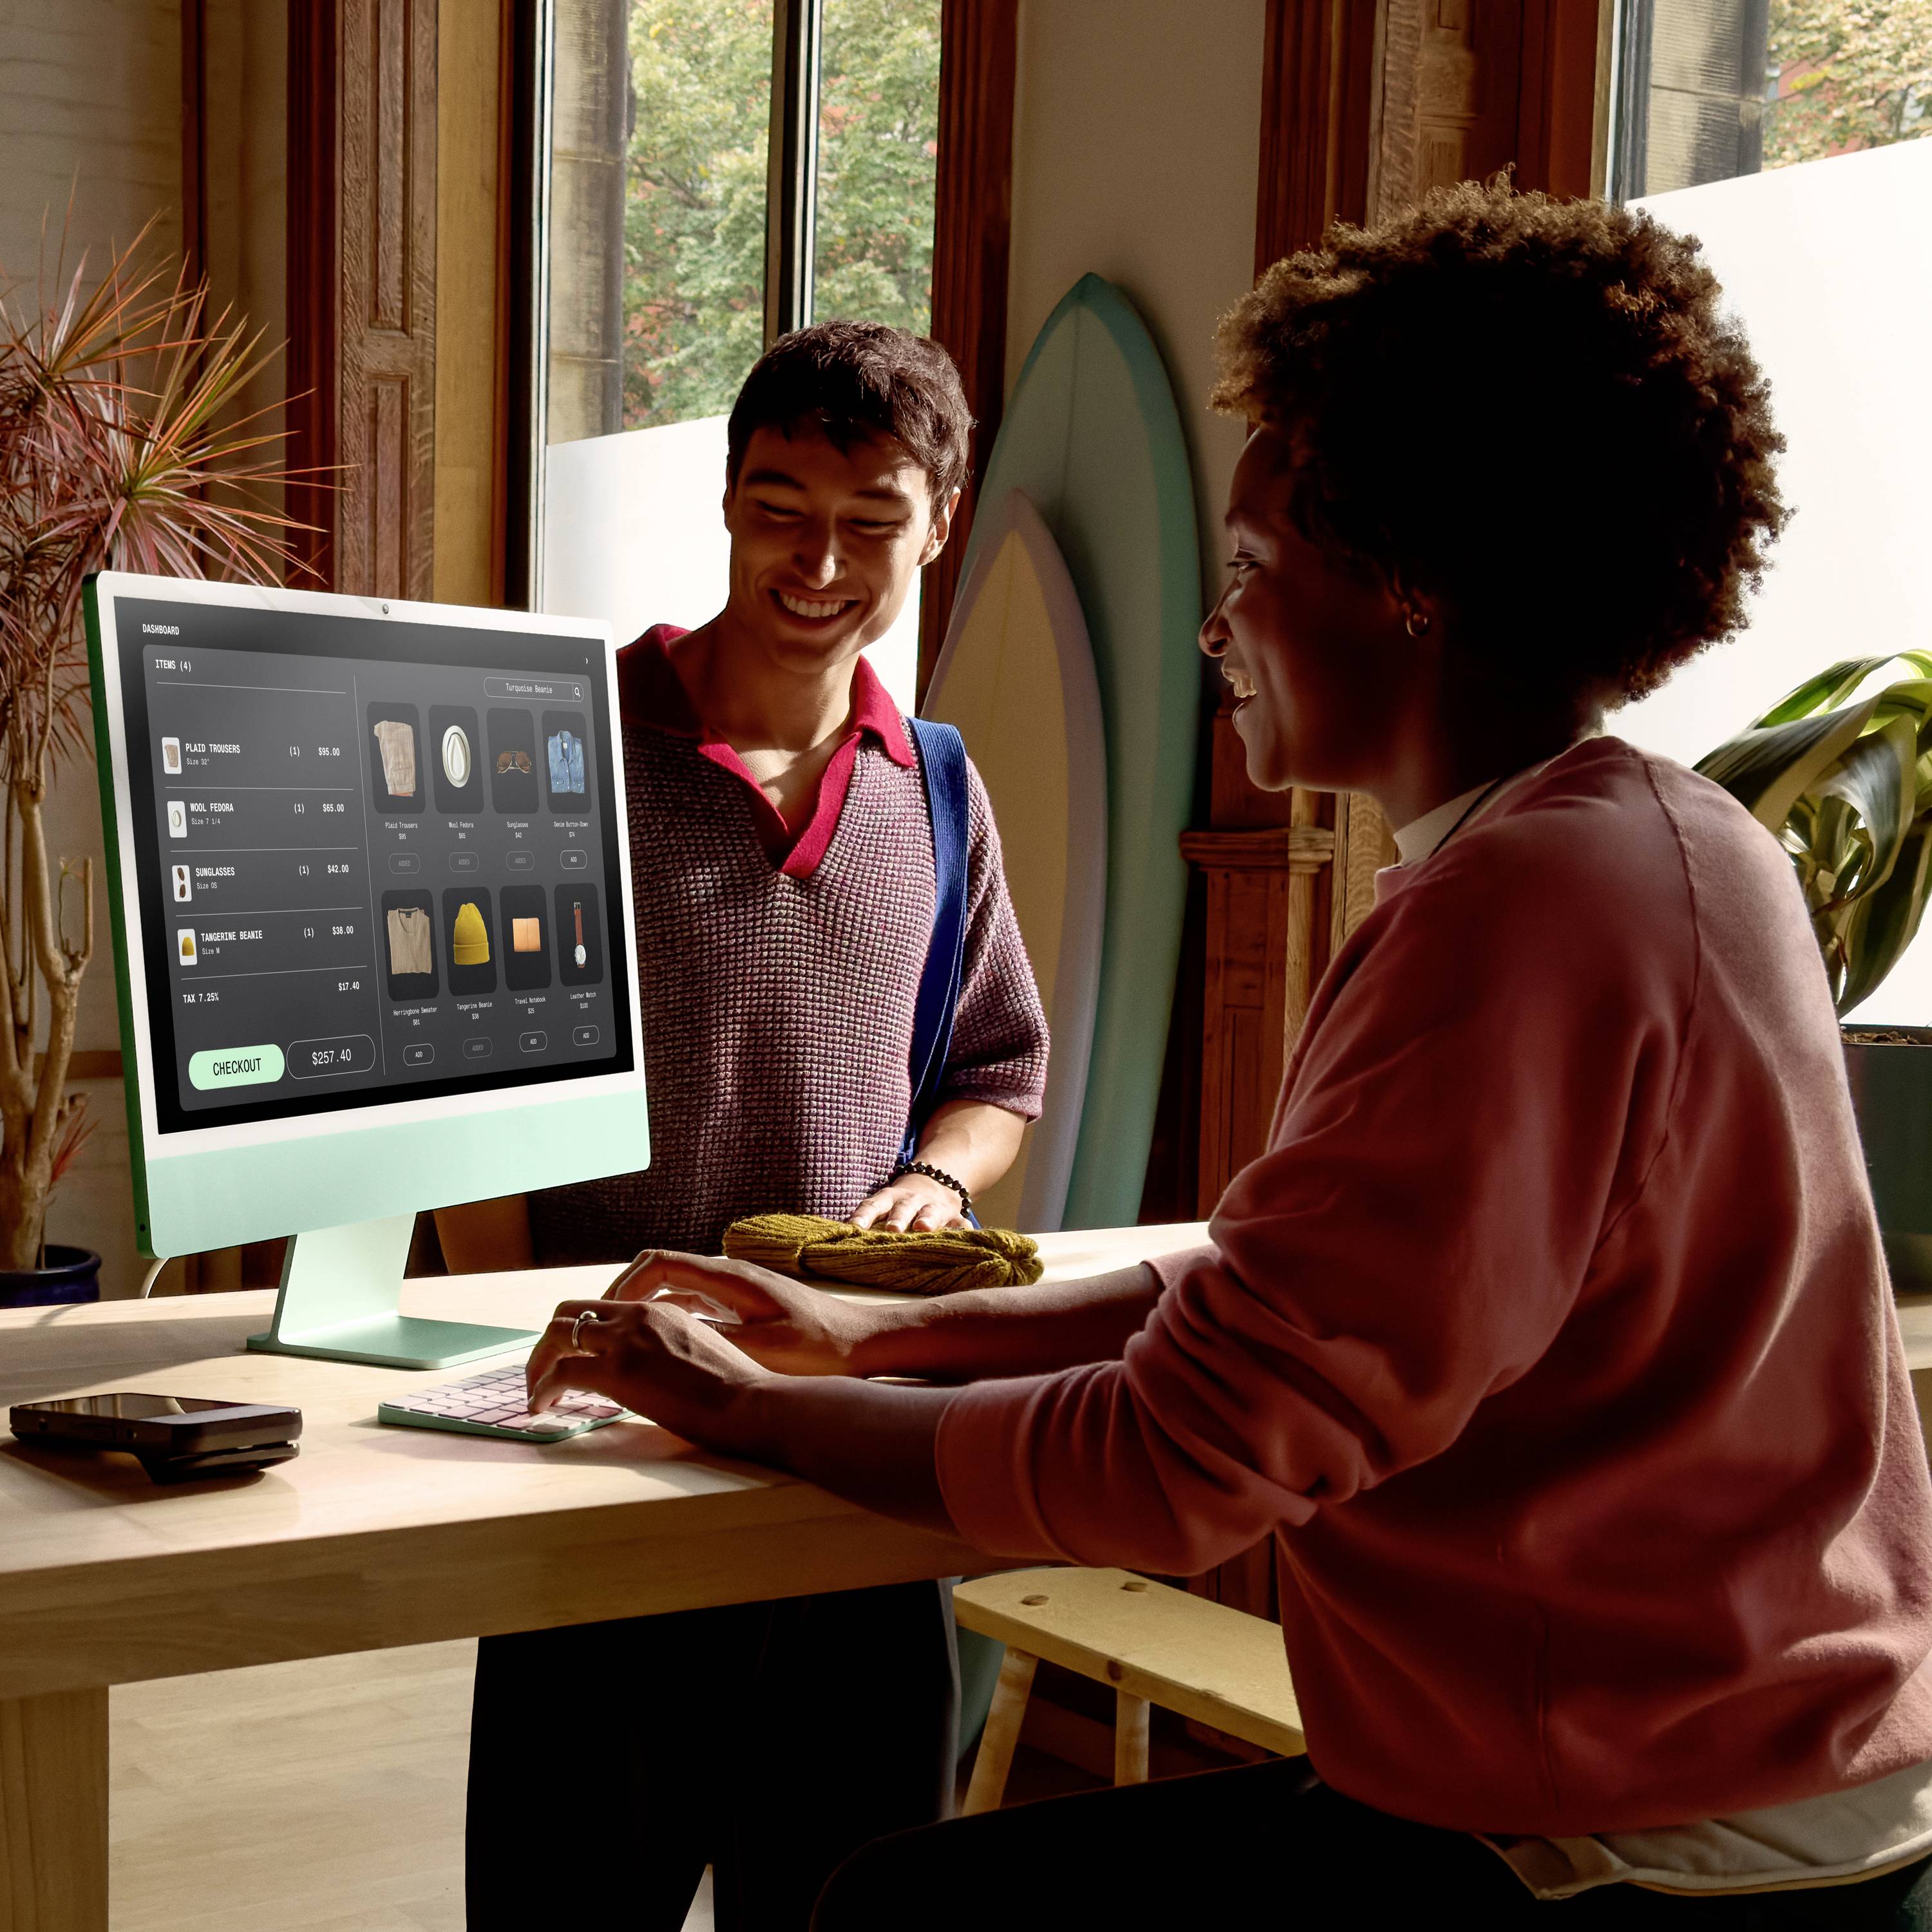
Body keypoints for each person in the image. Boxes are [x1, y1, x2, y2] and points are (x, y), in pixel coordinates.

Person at [518, 182, 1932, 1928]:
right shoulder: (1670, 840)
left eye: (1252, 568)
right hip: (1746, 1782)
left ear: (1410, 587)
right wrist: (891, 1331)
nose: (1218, 629)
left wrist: (762, 1411)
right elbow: (1293, 1294)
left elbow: (1181, 1461)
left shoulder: (1513, 915)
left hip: (1618, 1844)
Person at [452, 321, 1050, 1932]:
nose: (820, 559)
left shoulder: (936, 784)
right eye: (784, 506)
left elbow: (1000, 1069)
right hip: (609, 1453)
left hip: (854, 1460)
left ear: (939, 525)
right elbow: (464, 1097)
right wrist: (523, 1382)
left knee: (846, 1904)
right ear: (726, 501)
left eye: (872, 520)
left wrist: (935, 1177)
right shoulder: (556, 743)